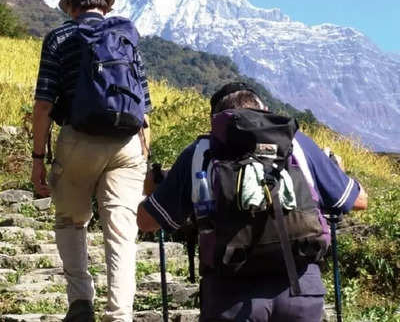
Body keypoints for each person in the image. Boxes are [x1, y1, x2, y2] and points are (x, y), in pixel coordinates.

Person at [137, 82, 368, 322]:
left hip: (230, 296)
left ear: (215, 122)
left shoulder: (201, 151)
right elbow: (358, 201)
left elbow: (146, 222)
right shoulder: (296, 143)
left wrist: (153, 189)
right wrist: (335, 170)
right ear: (264, 109)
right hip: (300, 290)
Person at [32, 0, 152, 322]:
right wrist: (143, 155)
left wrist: (38, 159)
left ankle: (82, 302)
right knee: (121, 229)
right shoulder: (125, 37)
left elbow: (43, 105)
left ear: (71, 6)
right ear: (104, 4)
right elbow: (144, 108)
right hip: (127, 143)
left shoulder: (59, 37)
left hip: (79, 138)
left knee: (71, 220)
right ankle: (120, 314)